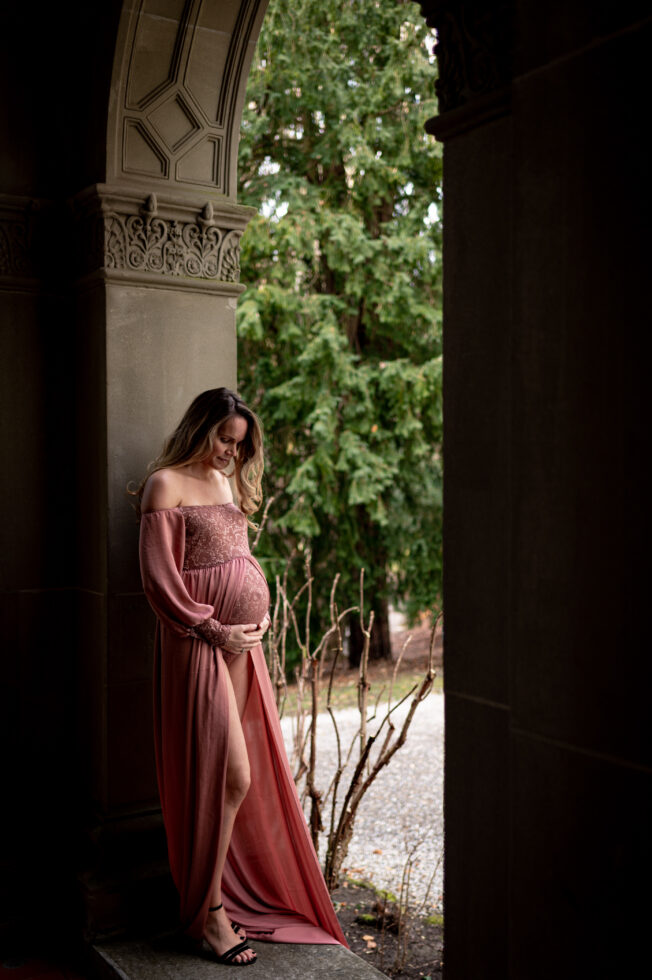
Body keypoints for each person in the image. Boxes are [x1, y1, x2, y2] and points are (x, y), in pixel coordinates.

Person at [134, 388, 346, 967]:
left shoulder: (225, 482)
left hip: (239, 646)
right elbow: (158, 580)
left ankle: (210, 901)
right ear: (199, 429)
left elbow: (238, 556)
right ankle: (208, 912)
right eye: (224, 439)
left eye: (240, 444)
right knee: (231, 776)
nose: (232, 452)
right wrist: (213, 629)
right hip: (198, 643)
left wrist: (259, 609)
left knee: (229, 775)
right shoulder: (165, 485)